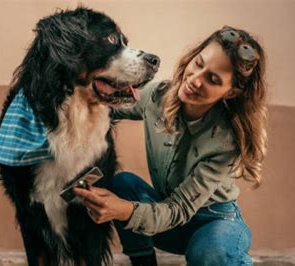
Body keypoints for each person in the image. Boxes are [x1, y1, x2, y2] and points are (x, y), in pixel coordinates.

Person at [73, 26, 267, 266]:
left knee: (210, 253)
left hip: (214, 223)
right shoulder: (159, 96)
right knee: (123, 184)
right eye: (198, 64)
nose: (195, 80)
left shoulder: (227, 141)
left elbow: (179, 209)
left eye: (213, 79)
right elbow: (107, 108)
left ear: (231, 92)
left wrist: (122, 210)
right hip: (168, 225)